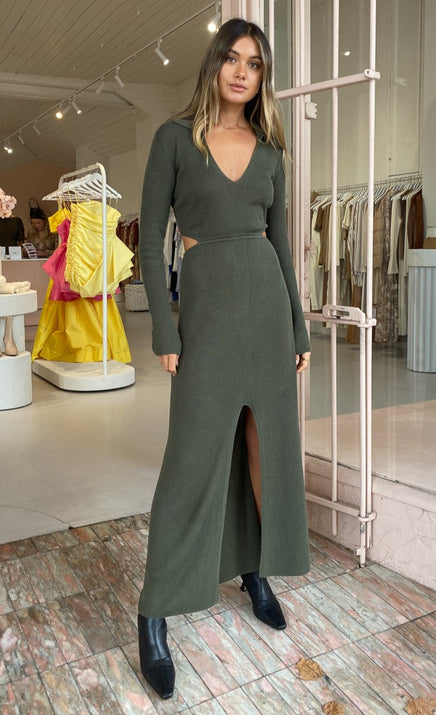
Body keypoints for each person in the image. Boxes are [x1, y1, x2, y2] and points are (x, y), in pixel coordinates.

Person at [138, 18, 312, 699]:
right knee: (191, 459)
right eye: (232, 59)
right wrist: (164, 331)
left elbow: (282, 244)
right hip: (206, 321)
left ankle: (255, 570)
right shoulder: (174, 139)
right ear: (213, 64)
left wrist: (297, 328)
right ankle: (154, 609)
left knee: (263, 448)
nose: (242, 72)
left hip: (267, 315)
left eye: (255, 64)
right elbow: (150, 239)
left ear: (262, 77)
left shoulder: (270, 150)